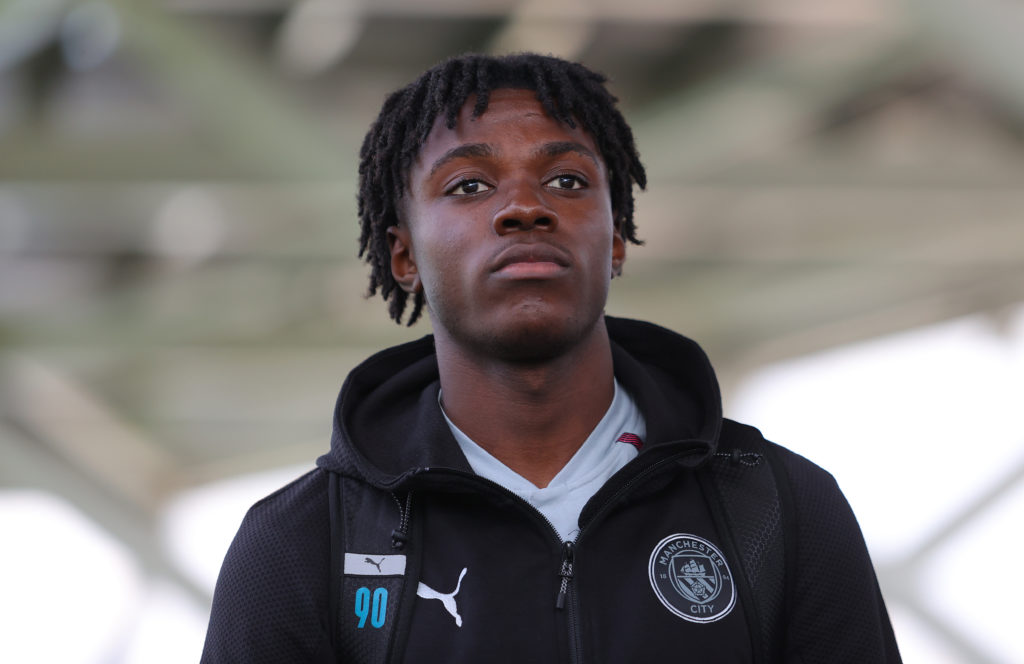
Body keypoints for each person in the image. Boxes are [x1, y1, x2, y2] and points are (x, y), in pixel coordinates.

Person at [201, 52, 901, 663]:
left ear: (617, 237)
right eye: (469, 186)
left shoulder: (779, 511)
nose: (524, 208)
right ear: (403, 255)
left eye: (566, 181)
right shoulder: (301, 545)